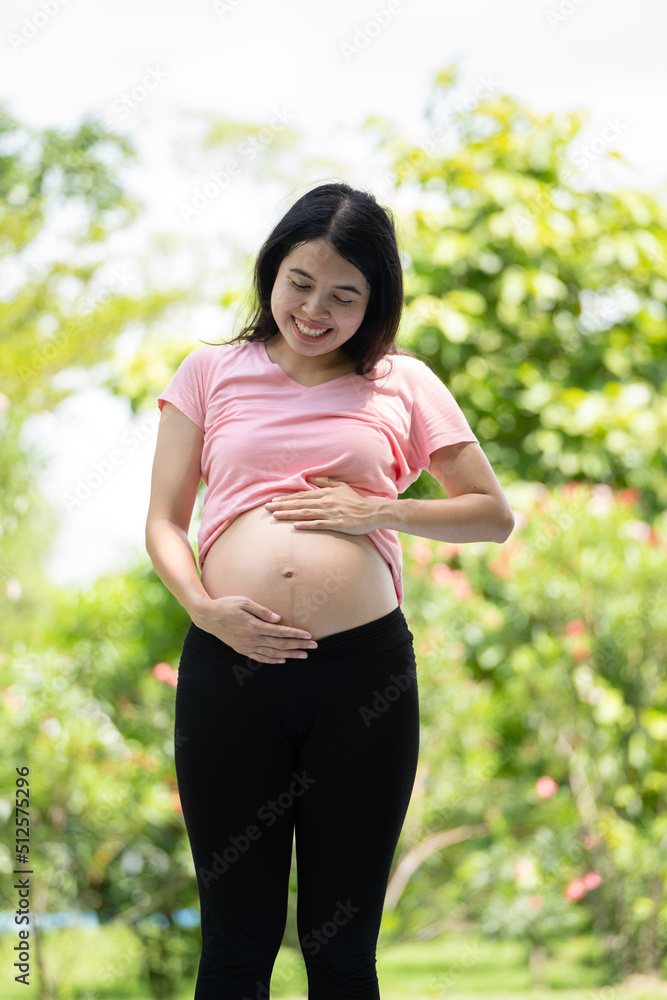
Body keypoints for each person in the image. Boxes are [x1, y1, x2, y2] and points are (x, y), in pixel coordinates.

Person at [145, 181, 514, 1000]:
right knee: (235, 942)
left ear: (375, 303)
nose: (315, 310)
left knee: (341, 948)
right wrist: (204, 609)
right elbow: (166, 522)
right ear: (270, 274)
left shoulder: (403, 382)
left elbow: (492, 515)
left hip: (360, 680)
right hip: (229, 668)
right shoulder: (210, 371)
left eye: (344, 295)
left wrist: (378, 507)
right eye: (299, 284)